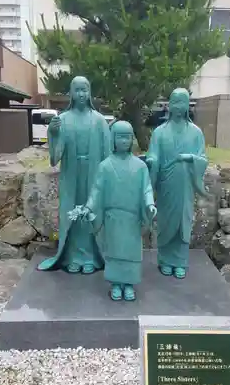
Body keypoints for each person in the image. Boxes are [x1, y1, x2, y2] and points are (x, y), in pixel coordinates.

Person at [37, 76, 110, 274]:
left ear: (90, 93)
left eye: (84, 90)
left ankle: (90, 257)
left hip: (94, 173)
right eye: (76, 90)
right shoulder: (63, 119)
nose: (81, 94)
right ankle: (73, 256)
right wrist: (53, 134)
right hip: (71, 174)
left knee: (91, 211)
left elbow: (108, 155)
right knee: (72, 214)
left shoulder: (100, 121)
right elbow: (55, 157)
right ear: (71, 93)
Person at [83, 121, 156, 301]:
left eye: (128, 136)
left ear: (133, 139)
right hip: (113, 218)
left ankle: (129, 284)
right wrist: (89, 207)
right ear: (112, 139)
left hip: (132, 218)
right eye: (120, 136)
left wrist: (149, 205)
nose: (124, 141)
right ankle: (116, 283)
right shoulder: (105, 166)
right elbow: (97, 190)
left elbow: (147, 189)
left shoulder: (140, 166)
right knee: (114, 251)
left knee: (131, 252)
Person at [146, 88, 208, 279]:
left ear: (188, 105)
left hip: (186, 184)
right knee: (166, 221)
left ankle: (180, 262)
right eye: (175, 102)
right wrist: (152, 162)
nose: (179, 106)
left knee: (183, 221)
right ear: (169, 105)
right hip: (166, 183)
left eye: (183, 102)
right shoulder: (159, 132)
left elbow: (203, 158)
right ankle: (165, 260)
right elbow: (153, 154)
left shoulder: (196, 133)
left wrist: (191, 158)